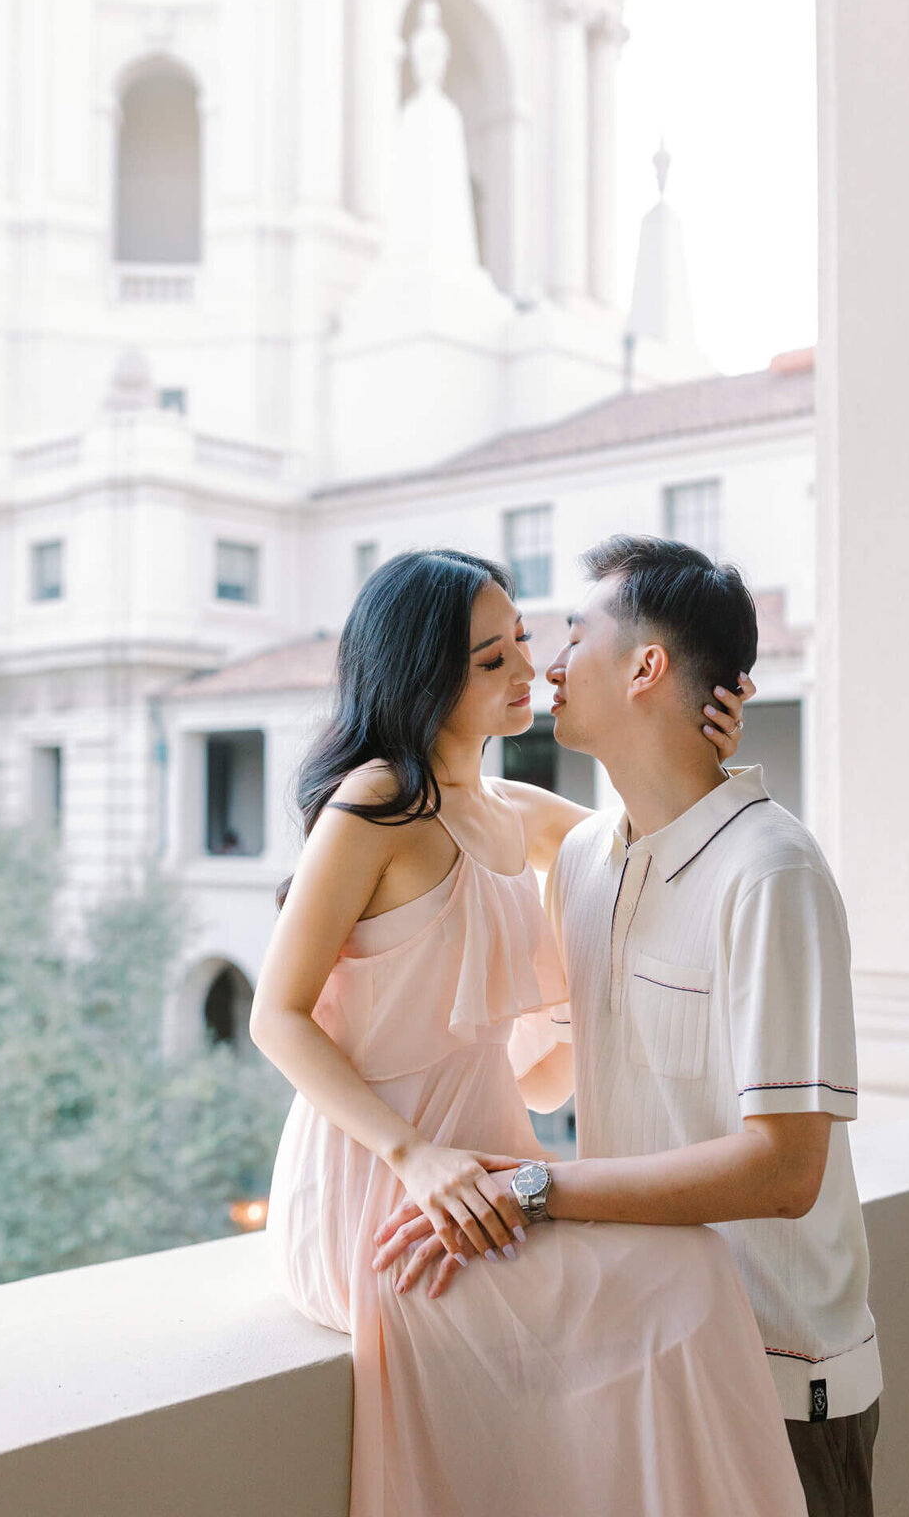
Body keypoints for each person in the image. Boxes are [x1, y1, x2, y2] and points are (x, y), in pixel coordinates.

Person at [252, 547, 807, 1517]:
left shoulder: (513, 811)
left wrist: (696, 737)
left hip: (496, 1174)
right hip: (384, 1186)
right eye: (490, 659)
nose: (529, 671)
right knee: (687, 1274)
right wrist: (416, 1157)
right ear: (423, 672)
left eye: (522, 642)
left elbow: (655, 825)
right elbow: (276, 1015)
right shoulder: (377, 803)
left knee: (695, 1275)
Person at [376, 536, 882, 1517]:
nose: (548, 665)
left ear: (648, 665)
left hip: (779, 1380)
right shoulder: (582, 864)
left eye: (574, 634)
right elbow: (545, 1078)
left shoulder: (773, 874)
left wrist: (530, 1190)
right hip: (639, 1342)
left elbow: (784, 1171)